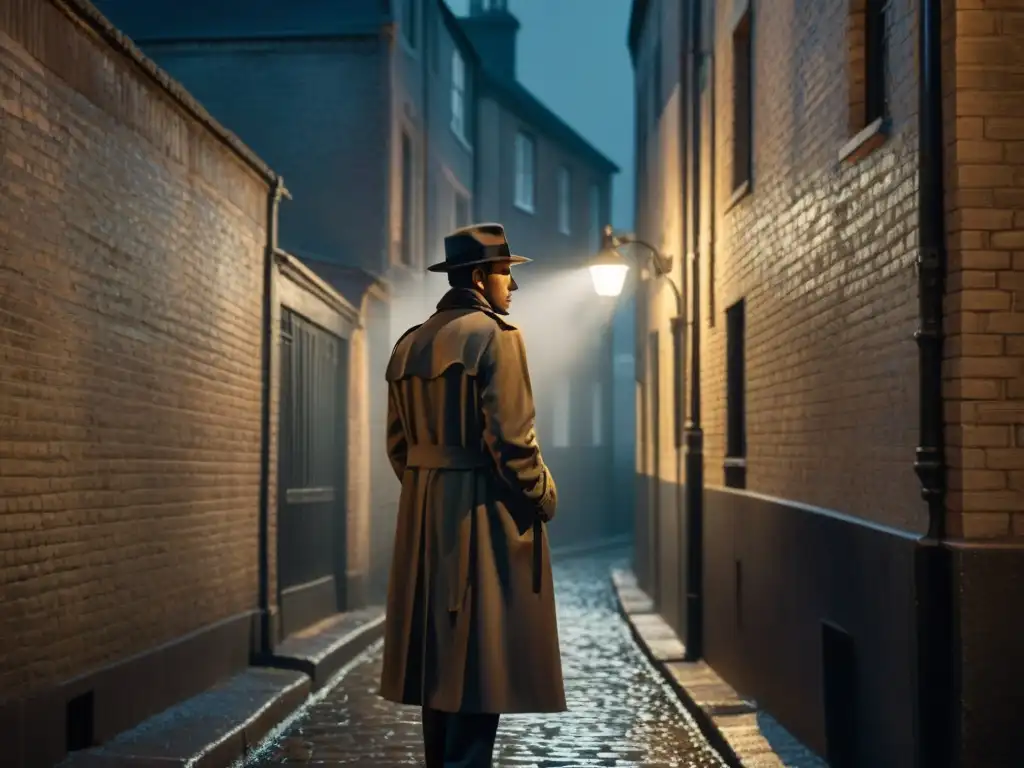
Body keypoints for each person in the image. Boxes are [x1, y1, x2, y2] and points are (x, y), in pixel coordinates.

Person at [379, 223, 565, 767]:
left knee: (438, 680)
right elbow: (512, 445)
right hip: (481, 527)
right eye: (507, 271)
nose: (514, 285)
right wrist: (544, 497)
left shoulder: (408, 343)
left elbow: (399, 448)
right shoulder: (498, 337)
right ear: (481, 278)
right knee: (478, 677)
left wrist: (430, 492)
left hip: (422, 527)